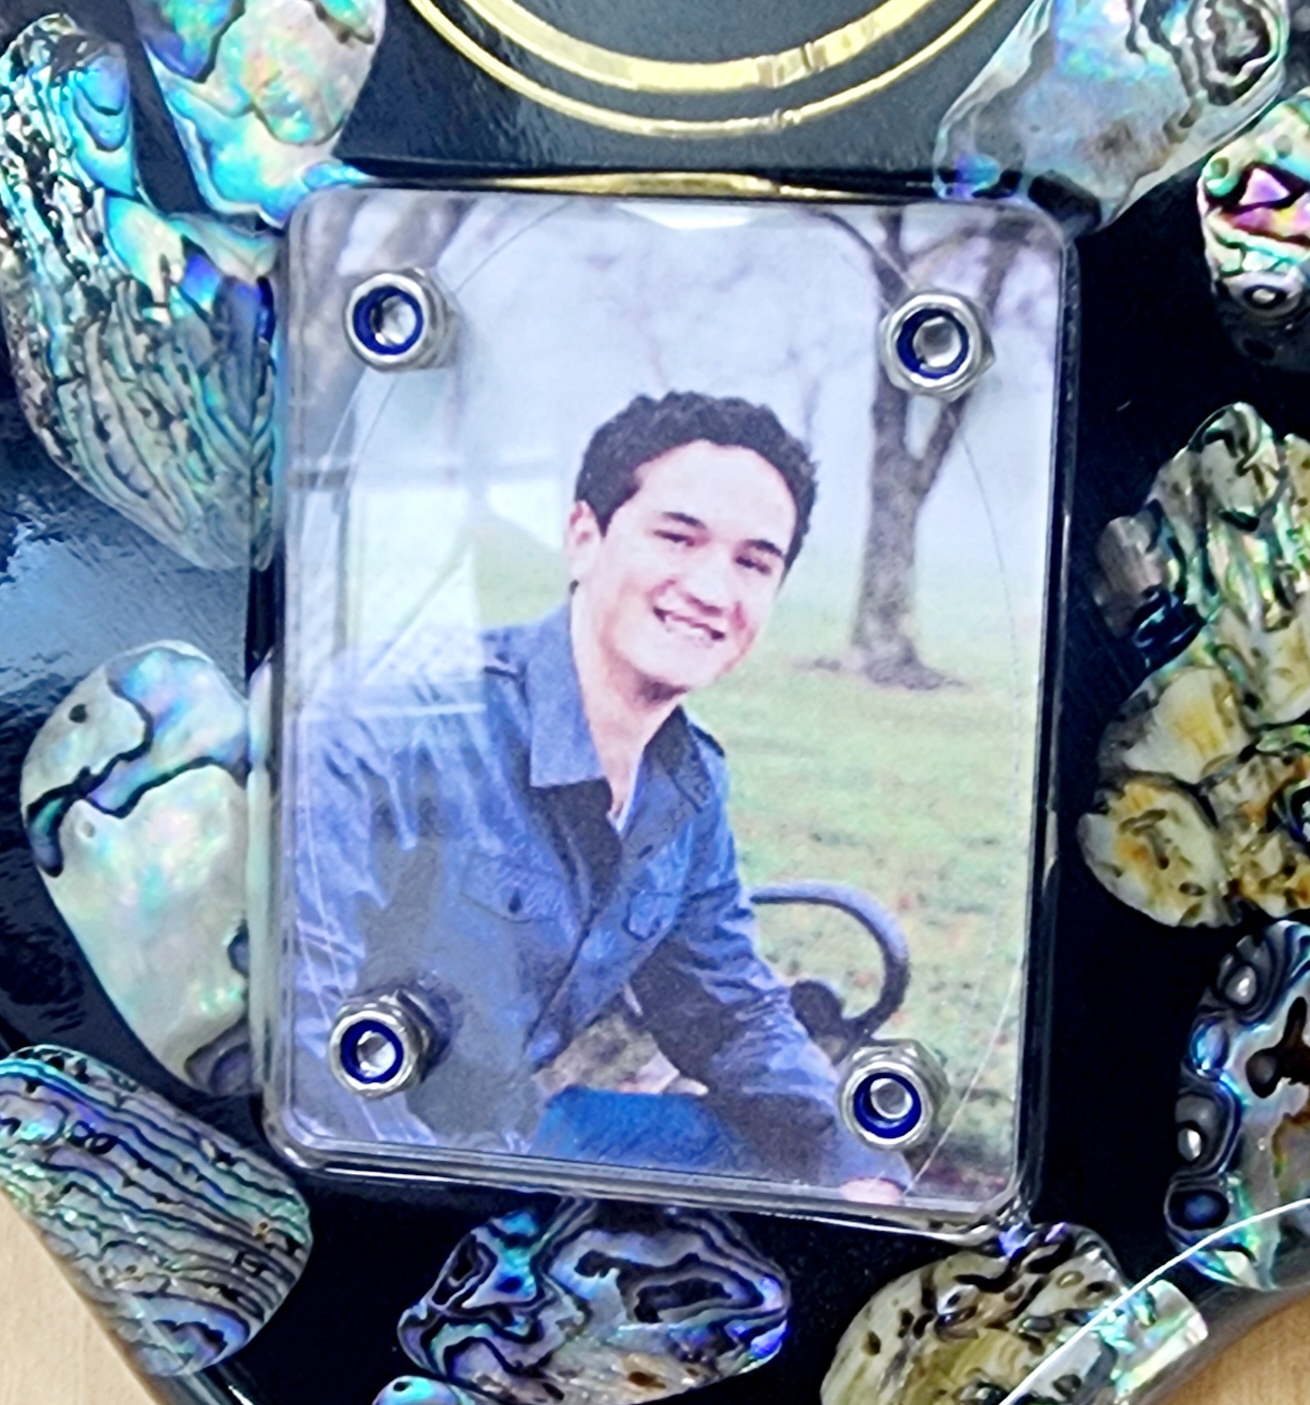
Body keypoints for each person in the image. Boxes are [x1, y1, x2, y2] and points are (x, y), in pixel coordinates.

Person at [289, 391, 900, 1194]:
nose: (713, 590)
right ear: (585, 537)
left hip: (520, 1140)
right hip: (368, 1175)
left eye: (754, 563)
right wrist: (445, 1222)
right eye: (677, 537)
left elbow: (731, 1012)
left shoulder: (688, 785)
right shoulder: (403, 723)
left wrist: (859, 1163)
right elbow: (301, 1032)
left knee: (798, 1162)